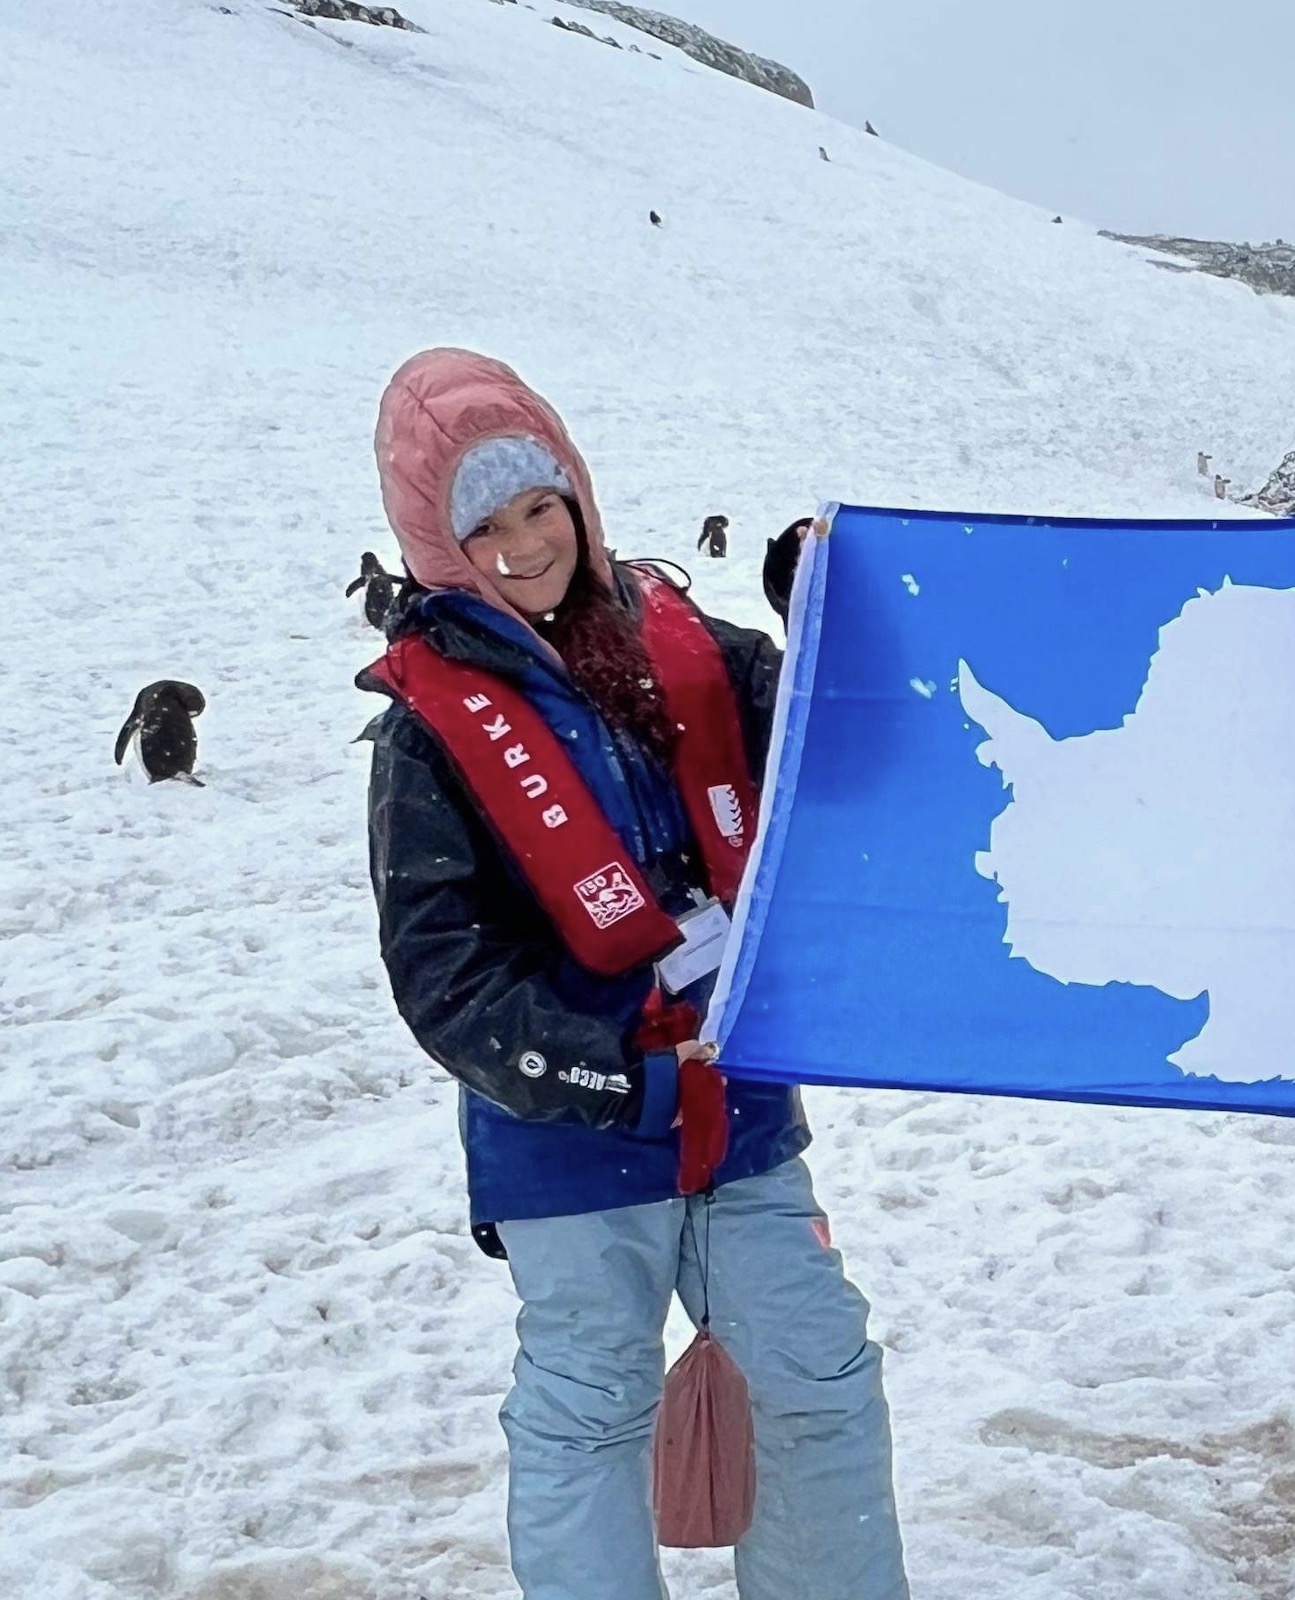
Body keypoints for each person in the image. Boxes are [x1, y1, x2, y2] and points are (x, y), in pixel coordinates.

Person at [360, 348, 908, 1600]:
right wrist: (617, 1082)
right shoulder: (427, 733)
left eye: (538, 507)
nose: (519, 547)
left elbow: (841, 730)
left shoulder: (685, 646)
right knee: (589, 1407)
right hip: (568, 1138)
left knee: (819, 1373)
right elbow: (443, 977)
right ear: (434, 545)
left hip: (742, 1110)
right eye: (479, 527)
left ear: (579, 498)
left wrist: (819, 599)